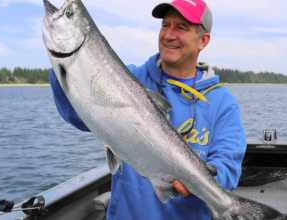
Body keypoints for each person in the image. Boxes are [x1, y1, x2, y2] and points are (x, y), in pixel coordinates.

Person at [49, 0, 247, 219]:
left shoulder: (222, 104)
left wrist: (196, 186)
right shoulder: (125, 78)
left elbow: (227, 168)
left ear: (203, 40)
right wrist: (67, 69)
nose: (169, 35)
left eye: (181, 27)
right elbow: (79, 116)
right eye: (165, 25)